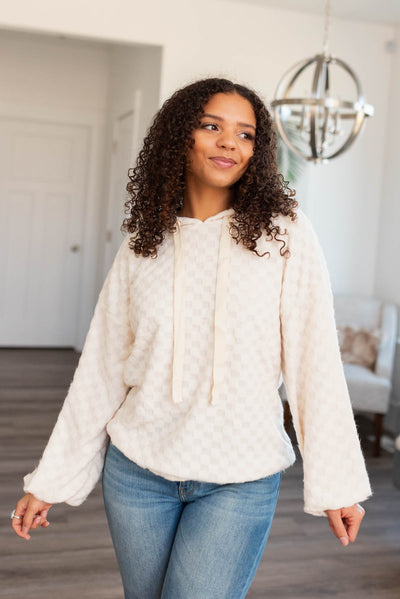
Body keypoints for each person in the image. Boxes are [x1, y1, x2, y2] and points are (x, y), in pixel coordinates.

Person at [11, 77, 372, 598]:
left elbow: (315, 361)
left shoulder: (284, 232)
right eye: (211, 127)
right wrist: (50, 479)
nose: (230, 143)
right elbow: (103, 369)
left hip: (240, 475)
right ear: (180, 137)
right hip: (137, 474)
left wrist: (336, 483)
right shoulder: (143, 242)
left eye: (246, 134)